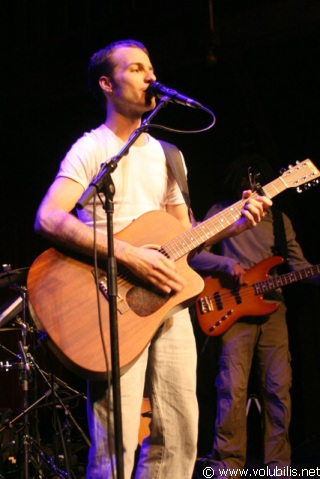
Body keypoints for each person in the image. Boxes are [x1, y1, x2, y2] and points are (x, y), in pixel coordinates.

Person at [33, 40, 271, 479]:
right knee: (116, 445)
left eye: (152, 68)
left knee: (180, 436)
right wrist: (127, 254)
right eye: (138, 69)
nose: (150, 77)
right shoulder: (92, 148)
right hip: (110, 303)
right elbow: (48, 217)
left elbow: (186, 238)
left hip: (170, 301)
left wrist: (233, 224)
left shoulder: (169, 155)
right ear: (107, 83)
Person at [194, 153, 320, 478]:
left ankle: (278, 467)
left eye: (255, 178)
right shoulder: (220, 212)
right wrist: (226, 265)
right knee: (231, 389)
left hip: (273, 310)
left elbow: (299, 267)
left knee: (279, 388)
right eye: (244, 178)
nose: (249, 184)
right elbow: (195, 254)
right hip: (232, 310)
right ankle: (226, 466)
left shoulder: (280, 220)